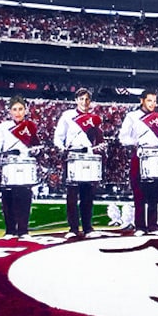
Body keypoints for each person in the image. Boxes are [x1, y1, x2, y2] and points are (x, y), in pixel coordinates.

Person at [118, 90, 158, 235]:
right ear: (142, 100)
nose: (153, 104)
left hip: (156, 156)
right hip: (139, 155)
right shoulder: (132, 117)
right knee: (139, 192)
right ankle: (140, 226)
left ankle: (153, 225)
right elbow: (123, 137)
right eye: (149, 100)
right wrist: (136, 142)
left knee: (155, 193)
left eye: (155, 101)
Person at [53, 88, 105, 239]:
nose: (84, 102)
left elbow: (99, 139)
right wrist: (63, 148)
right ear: (76, 100)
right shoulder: (67, 116)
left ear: (90, 101)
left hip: (88, 156)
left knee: (87, 195)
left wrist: (99, 146)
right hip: (73, 156)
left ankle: (88, 228)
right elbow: (58, 137)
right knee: (72, 195)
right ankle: (73, 228)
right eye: (81, 99)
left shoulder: (94, 118)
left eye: (87, 99)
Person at [0, 95, 40, 238]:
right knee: (8, 197)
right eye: (15, 109)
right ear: (10, 111)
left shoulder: (30, 126)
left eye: (20, 109)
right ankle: (10, 230)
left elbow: (37, 146)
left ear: (25, 110)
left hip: (25, 166)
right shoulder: (3, 127)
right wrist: (5, 152)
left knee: (24, 197)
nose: (18, 112)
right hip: (9, 166)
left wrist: (36, 150)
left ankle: (23, 230)